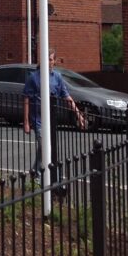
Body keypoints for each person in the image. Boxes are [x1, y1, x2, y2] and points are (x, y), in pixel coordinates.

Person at [22, 49, 86, 179]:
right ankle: (39, 175)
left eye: (50, 59)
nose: (48, 62)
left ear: (54, 62)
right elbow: (26, 99)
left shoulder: (57, 77)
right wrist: (26, 122)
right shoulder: (33, 78)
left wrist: (78, 114)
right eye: (46, 59)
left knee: (47, 146)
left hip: (51, 119)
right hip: (38, 119)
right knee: (43, 144)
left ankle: (35, 170)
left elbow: (67, 97)